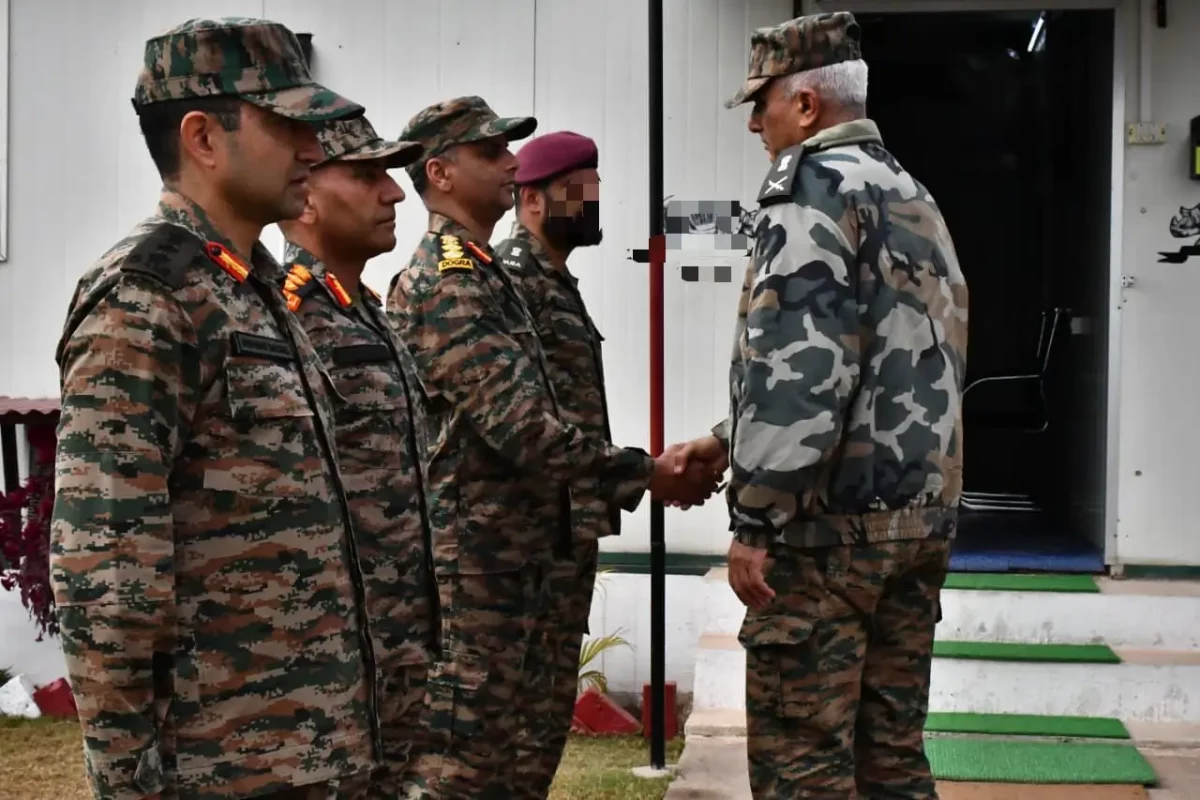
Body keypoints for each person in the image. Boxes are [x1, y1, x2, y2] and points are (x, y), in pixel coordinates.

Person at [50, 18, 380, 800]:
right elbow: (107, 578)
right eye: (289, 125)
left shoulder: (251, 288)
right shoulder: (146, 298)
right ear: (203, 136)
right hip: (219, 768)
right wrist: (132, 782)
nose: (313, 149)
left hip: (310, 753)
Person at [673, 11, 969, 799]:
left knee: (804, 767)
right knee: (892, 763)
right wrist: (723, 437)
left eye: (759, 103)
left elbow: (798, 371)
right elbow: (876, 360)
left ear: (805, 106)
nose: (752, 125)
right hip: (918, 523)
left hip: (828, 533)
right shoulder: (913, 193)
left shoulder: (808, 191)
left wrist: (757, 519)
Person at [386, 97, 719, 798]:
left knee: (523, 757)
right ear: (440, 173)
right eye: (491, 153)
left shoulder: (489, 275)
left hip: (534, 554)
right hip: (481, 567)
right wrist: (648, 473)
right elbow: (523, 425)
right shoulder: (449, 279)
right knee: (465, 763)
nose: (510, 163)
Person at [275, 115, 437, 800]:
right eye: (368, 174)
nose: (395, 193)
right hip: (328, 671)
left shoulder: (368, 310)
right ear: (306, 195)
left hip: (399, 652)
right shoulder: (287, 318)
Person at [490, 130, 626, 797]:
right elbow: (520, 422)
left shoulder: (554, 282)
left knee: (542, 722)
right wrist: (642, 472)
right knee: (510, 725)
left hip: (564, 534)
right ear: (534, 199)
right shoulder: (513, 279)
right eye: (582, 188)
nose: (596, 199)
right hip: (521, 540)